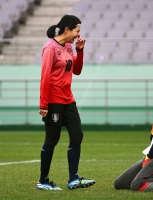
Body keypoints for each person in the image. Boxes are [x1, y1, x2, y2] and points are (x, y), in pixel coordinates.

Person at [36, 15, 95, 191]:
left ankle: (73, 179)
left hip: (69, 100)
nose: (79, 34)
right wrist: (43, 104)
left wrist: (80, 51)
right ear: (67, 29)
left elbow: (76, 71)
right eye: (77, 30)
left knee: (77, 135)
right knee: (52, 140)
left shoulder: (69, 46)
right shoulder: (50, 48)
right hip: (53, 101)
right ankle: (43, 181)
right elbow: (45, 76)